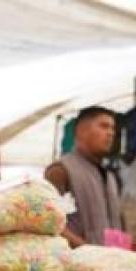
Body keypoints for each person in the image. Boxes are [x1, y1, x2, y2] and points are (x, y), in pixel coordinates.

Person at [44, 106, 122, 247]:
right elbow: (49, 223)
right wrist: (87, 250)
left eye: (113, 128)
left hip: (111, 264)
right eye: (104, 126)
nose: (111, 133)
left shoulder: (110, 176)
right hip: (75, 264)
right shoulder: (60, 170)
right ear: (82, 131)